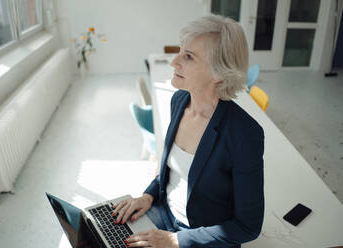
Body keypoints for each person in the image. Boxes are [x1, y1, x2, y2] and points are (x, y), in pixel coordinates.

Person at [113, 15, 265, 248]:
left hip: (200, 236)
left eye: (189, 57)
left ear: (219, 73)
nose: (174, 62)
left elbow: (248, 227)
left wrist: (176, 241)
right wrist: (147, 196)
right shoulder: (179, 100)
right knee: (105, 232)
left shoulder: (244, 134)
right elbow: (173, 170)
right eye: (181, 51)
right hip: (164, 214)